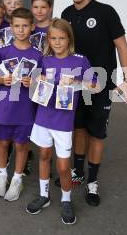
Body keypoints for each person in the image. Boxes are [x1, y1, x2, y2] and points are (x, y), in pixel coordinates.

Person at [60, 0, 127, 206]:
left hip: (101, 84)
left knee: (97, 134)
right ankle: (78, 172)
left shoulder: (105, 12)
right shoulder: (66, 13)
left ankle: (92, 181)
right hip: (75, 85)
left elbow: (121, 46)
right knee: (78, 129)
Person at [26, 18, 97, 225]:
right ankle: (44, 195)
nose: (57, 42)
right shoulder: (44, 59)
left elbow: (96, 84)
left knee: (64, 167)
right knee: (44, 156)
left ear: (69, 39)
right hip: (42, 118)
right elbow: (32, 83)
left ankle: (66, 200)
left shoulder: (79, 60)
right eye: (53, 38)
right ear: (48, 39)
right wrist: (35, 80)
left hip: (63, 122)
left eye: (62, 38)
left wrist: (76, 81)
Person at [0, 8, 43, 201]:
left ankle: (17, 179)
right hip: (5, 106)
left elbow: (42, 83)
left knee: (22, 145)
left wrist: (34, 82)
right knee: (3, 142)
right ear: (10, 27)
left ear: (32, 27)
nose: (21, 30)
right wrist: (1, 80)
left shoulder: (38, 55)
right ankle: (2, 175)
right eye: (17, 26)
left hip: (26, 108)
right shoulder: (3, 51)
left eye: (25, 26)